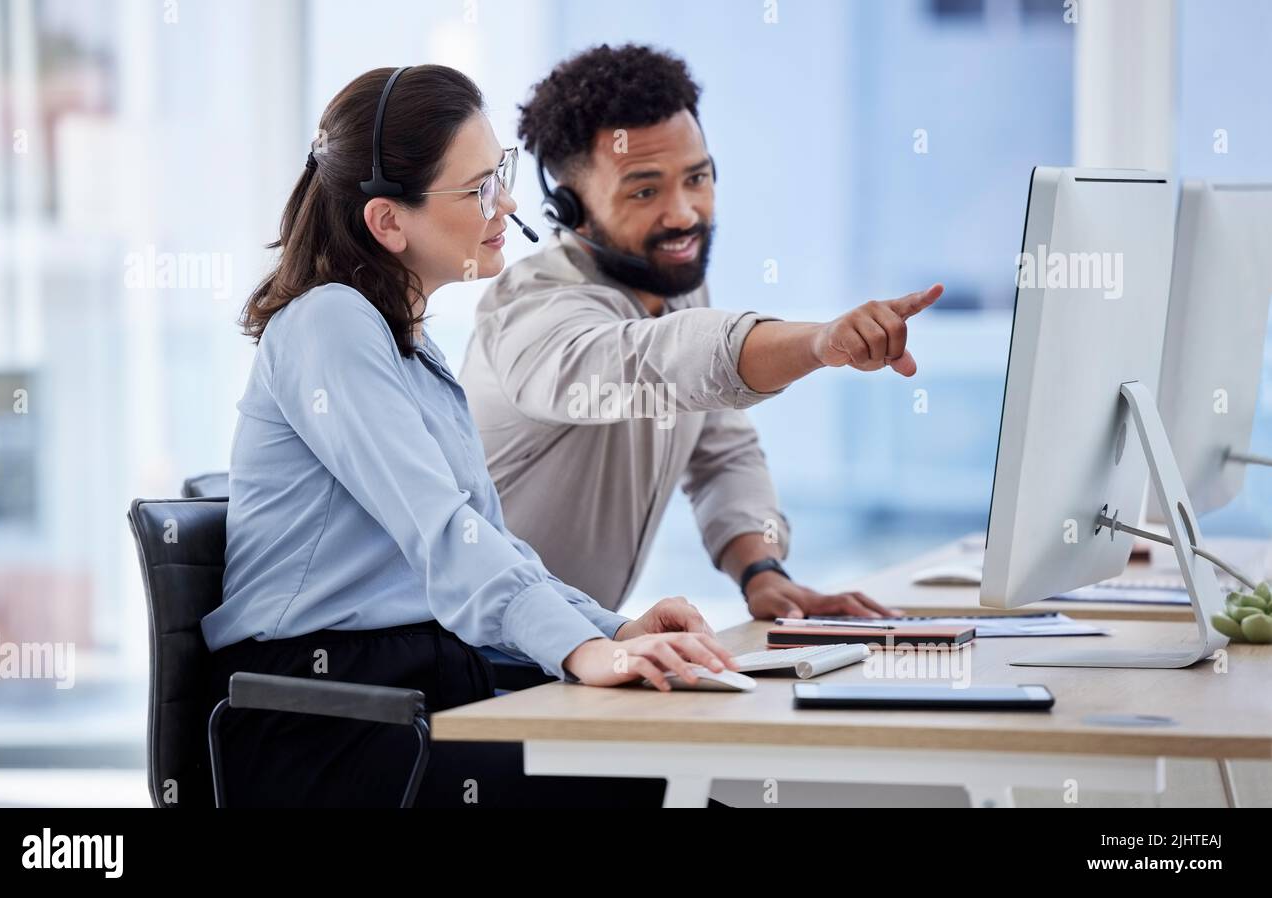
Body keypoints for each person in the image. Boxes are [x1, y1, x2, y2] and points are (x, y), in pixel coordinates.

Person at [202, 64, 734, 808]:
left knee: (680, 773)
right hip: (327, 718)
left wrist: (617, 627)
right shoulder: (330, 321)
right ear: (390, 222)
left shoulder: (411, 351)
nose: (508, 204)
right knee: (661, 788)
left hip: (421, 690)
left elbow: (490, 543)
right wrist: (587, 650)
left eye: (502, 174)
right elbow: (443, 533)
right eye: (480, 188)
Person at [459, 44, 940, 620]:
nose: (684, 213)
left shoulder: (673, 286)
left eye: (697, 178)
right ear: (570, 209)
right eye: (645, 191)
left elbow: (721, 451)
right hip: (476, 662)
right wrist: (816, 344)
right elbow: (652, 363)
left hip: (569, 650)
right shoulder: (530, 310)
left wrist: (761, 572)